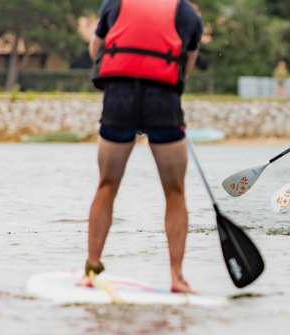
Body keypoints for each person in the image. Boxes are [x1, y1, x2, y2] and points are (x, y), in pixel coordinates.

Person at [79, 0, 203, 293]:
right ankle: (177, 277)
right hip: (163, 103)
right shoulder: (187, 13)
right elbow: (186, 68)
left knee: (107, 184)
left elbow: (96, 51)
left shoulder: (115, 3)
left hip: (118, 100)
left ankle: (92, 268)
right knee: (175, 191)